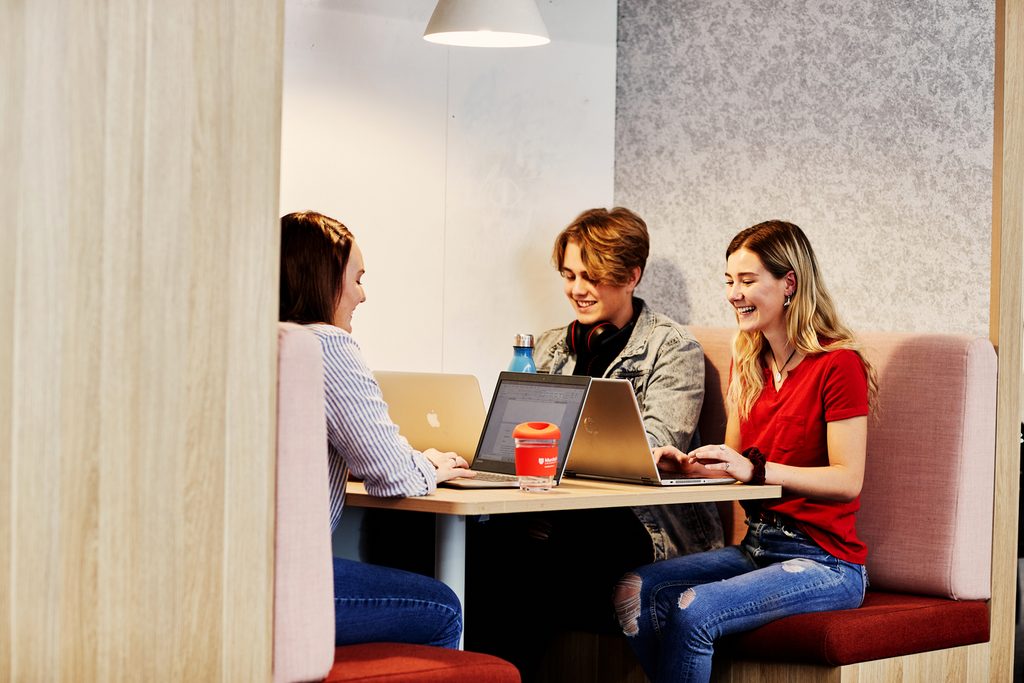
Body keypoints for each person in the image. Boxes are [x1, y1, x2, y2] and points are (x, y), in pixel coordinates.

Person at [612, 220, 878, 683]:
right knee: (633, 591)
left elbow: (846, 479)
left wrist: (756, 470)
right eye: (729, 282)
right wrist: (689, 468)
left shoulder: (839, 364)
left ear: (789, 283)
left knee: (693, 611)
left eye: (748, 281)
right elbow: (733, 467)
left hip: (826, 561)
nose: (734, 293)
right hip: (758, 547)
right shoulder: (749, 359)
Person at [466, 207, 721, 676]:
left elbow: (655, 445)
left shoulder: (673, 348)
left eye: (593, 276)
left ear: (631, 275)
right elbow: (518, 439)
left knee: (532, 564)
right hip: (556, 513)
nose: (577, 290)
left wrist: (552, 452)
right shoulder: (546, 346)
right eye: (569, 275)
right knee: (479, 545)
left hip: (645, 526)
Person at [279, 210, 475, 649]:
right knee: (444, 606)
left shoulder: (264, 340)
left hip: (234, 575)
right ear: (324, 280)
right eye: (358, 278)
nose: (362, 296)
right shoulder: (326, 345)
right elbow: (391, 475)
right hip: (283, 583)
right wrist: (429, 465)